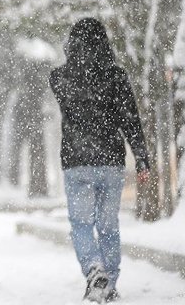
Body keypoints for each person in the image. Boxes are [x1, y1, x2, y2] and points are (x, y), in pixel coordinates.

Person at [49, 18, 151, 303]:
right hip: (110, 161)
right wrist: (141, 158)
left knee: (81, 224)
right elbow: (130, 120)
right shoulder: (116, 76)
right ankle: (110, 282)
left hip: (77, 161)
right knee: (108, 226)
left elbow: (72, 97)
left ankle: (95, 270)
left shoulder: (59, 77)